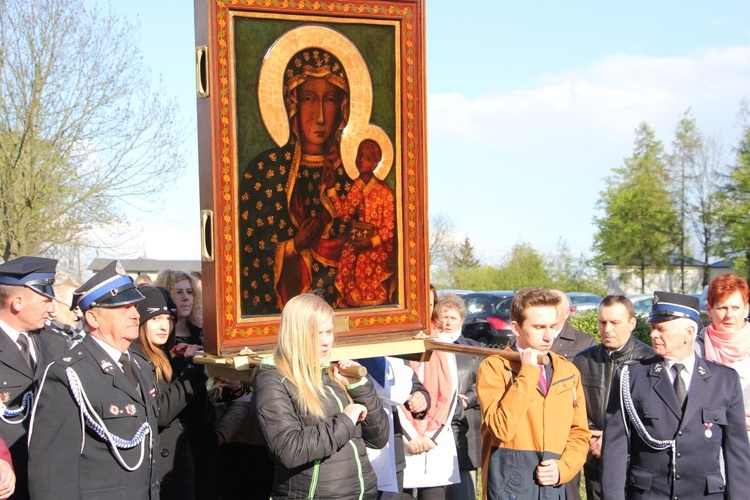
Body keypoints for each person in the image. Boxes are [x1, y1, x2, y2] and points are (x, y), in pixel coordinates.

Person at [27, 260, 160, 499]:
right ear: (93, 318)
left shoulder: (139, 365)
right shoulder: (69, 374)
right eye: (123, 308)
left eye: (134, 306)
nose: (134, 314)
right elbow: (51, 472)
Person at [238, 47, 356, 314]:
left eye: (330, 100)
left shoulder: (350, 180)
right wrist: (293, 246)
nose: (321, 116)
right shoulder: (263, 172)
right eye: (309, 99)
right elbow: (247, 258)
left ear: (343, 107)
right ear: (292, 103)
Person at [601, 291, 750, 499]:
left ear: (688, 333)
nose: (653, 334)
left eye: (661, 328)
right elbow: (615, 449)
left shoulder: (724, 380)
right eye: (653, 327)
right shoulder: (631, 376)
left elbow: (737, 455)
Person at [250, 293, 389, 498]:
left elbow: (379, 438)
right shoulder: (272, 380)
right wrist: (346, 420)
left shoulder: (331, 375)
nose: (326, 341)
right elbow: (289, 450)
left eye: (329, 331)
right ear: (296, 334)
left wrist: (359, 387)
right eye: (317, 333)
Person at [477, 287, 590, 499]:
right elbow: (501, 428)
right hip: (508, 484)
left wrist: (563, 468)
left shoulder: (568, 372)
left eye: (553, 327)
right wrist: (528, 372)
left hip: (552, 485)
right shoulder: (494, 367)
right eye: (539, 327)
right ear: (516, 328)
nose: (549, 336)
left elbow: (579, 433)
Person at [572, 295, 653, 500]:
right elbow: (574, 406)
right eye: (602, 322)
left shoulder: (649, 361)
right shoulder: (583, 360)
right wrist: (591, 435)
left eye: (615, 323)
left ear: (632, 323)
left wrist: (614, 439)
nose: (607, 329)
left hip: (636, 462)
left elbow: (653, 415)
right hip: (596, 459)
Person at [0, 256, 65, 499]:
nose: (52, 308)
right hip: (9, 481)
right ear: (17, 302)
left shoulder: (57, 342)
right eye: (45, 300)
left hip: (52, 480)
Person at [133, 285, 206, 499]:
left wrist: (190, 368)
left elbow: (199, 418)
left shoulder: (167, 359)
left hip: (180, 470)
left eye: (169, 319)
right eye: (156, 319)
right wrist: (191, 373)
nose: (165, 326)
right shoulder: (135, 360)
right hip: (158, 476)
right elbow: (161, 413)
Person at [329, 138, 396, 307]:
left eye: (366, 158)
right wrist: (331, 189)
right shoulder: (356, 187)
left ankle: (369, 306)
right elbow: (344, 215)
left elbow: (389, 228)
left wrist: (372, 241)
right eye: (359, 155)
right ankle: (351, 302)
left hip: (378, 245)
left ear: (375, 163)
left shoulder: (384, 191)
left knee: (365, 262)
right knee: (347, 255)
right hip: (359, 239)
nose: (360, 160)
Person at [433, 294, 483, 500]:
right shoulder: (430, 348)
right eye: (444, 317)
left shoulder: (474, 349)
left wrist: (468, 399)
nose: (447, 322)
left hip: (466, 425)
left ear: (461, 321)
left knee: (464, 491)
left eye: (452, 318)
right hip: (436, 425)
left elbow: (484, 383)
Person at [696, 274, 750, 435]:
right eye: (722, 308)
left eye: (736, 308)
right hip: (710, 449)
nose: (729, 315)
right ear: (709, 310)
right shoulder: (694, 352)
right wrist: (732, 416)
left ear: (746, 309)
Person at [154, 270, 203, 346]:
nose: (186, 297)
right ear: (166, 296)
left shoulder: (202, 334)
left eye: (189, 292)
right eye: (178, 292)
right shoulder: (156, 335)